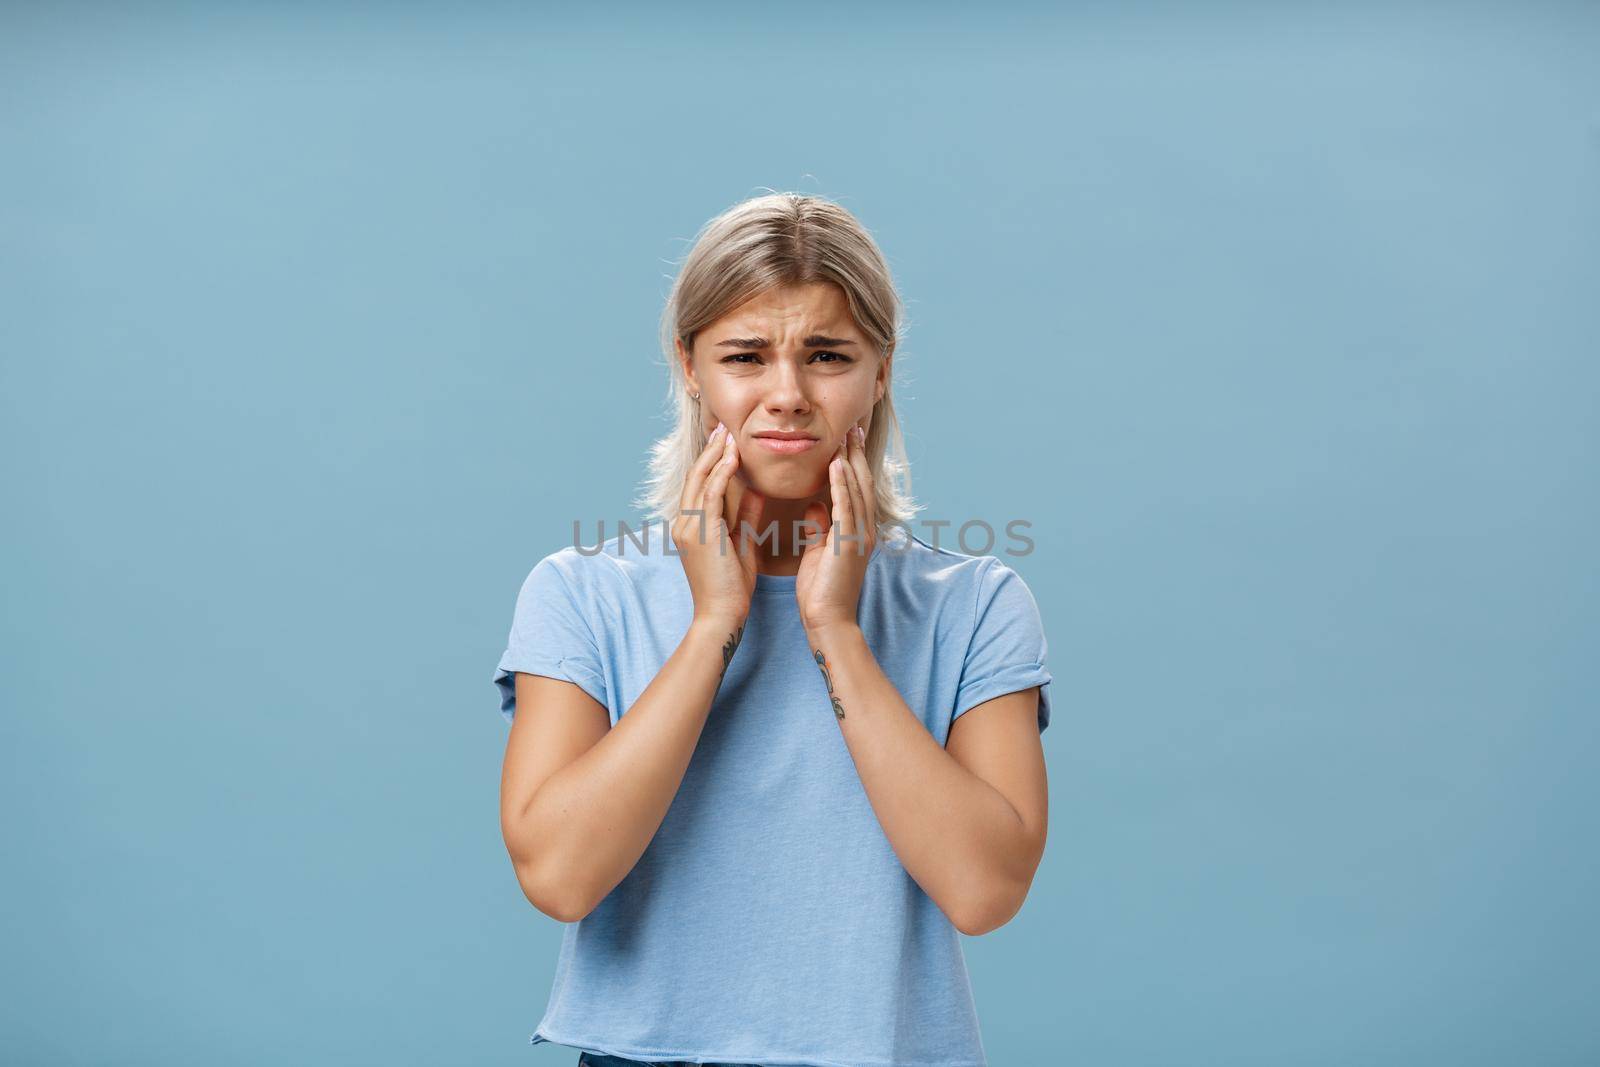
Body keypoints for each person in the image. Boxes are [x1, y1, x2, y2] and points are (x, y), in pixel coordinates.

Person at [493, 192, 1054, 1067]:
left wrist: (834, 626)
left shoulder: (976, 601)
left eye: (827, 354)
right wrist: (718, 618)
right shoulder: (581, 592)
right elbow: (561, 876)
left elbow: (985, 890)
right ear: (690, 367)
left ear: (881, 369)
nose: (787, 395)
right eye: (746, 355)